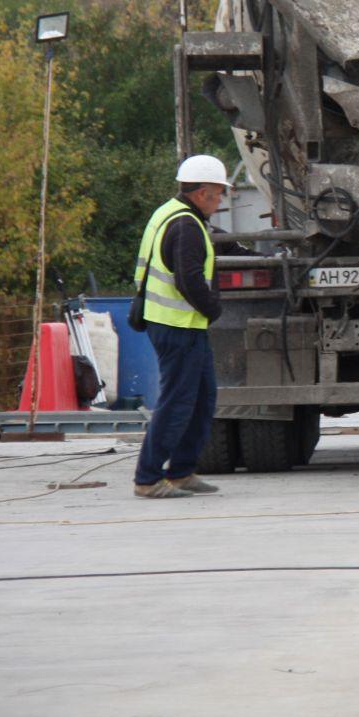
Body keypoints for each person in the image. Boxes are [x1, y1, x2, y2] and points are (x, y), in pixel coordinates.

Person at [130, 154, 235, 499]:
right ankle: (148, 478)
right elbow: (188, 279)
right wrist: (213, 309)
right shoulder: (186, 226)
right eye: (219, 194)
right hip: (178, 327)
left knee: (203, 399)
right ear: (203, 192)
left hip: (181, 326)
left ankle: (182, 471)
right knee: (177, 401)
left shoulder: (174, 215)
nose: (220, 202)